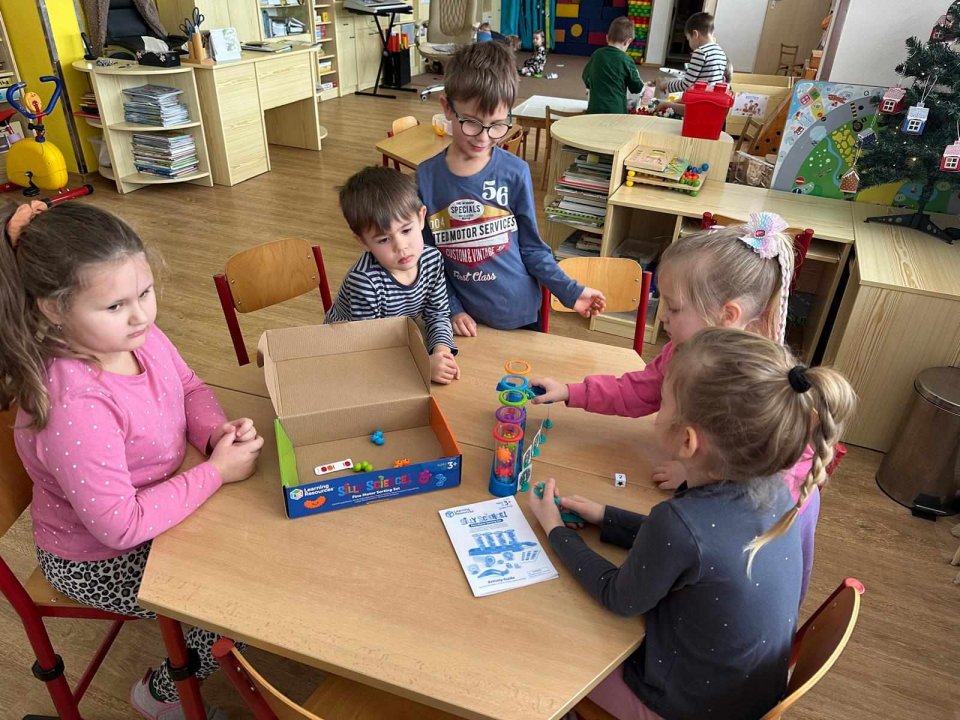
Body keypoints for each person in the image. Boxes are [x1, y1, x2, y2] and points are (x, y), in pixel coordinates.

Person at [0, 201, 264, 720]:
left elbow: (189, 386)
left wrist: (213, 434)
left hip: (158, 504)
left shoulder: (137, 338)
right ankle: (161, 694)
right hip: (96, 559)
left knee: (260, 548)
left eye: (145, 293)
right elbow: (120, 526)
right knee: (241, 600)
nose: (141, 314)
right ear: (53, 309)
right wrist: (215, 472)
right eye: (116, 305)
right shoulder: (74, 405)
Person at [529, 327, 857, 720]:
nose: (657, 409)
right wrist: (606, 517)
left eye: (663, 402)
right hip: (745, 697)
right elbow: (692, 547)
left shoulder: (678, 523)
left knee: (549, 653)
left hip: (683, 708)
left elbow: (618, 597)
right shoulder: (778, 488)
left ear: (687, 441)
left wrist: (555, 530)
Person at [531, 214, 823, 602]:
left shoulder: (757, 385)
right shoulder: (685, 352)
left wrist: (697, 472)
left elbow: (766, 485)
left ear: (727, 315)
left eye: (673, 308)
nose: (662, 317)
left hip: (766, 528)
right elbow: (638, 390)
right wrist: (571, 391)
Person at [417, 41, 605, 335]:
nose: (483, 137)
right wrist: (451, 308)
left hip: (521, 312)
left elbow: (532, 248)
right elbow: (427, 260)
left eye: (497, 125)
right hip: (464, 322)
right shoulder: (426, 177)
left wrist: (570, 291)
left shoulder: (516, 172)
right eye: (471, 123)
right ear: (447, 108)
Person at [326, 166, 460, 384]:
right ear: (363, 242)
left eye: (406, 230)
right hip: (345, 346)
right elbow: (370, 348)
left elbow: (437, 313)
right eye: (383, 240)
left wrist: (441, 351)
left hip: (394, 335)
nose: (401, 247)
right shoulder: (364, 282)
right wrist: (423, 366)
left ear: (421, 217)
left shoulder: (432, 259)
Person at [583, 16, 643, 114]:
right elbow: (636, 88)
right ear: (627, 41)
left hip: (594, 110)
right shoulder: (627, 60)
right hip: (616, 112)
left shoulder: (597, 54)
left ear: (607, 38)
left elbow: (585, 76)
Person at [657, 11, 728, 95]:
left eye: (688, 39)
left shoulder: (700, 52)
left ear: (695, 34)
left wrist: (666, 85)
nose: (689, 43)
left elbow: (686, 84)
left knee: (665, 102)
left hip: (699, 98)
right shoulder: (720, 51)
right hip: (712, 97)